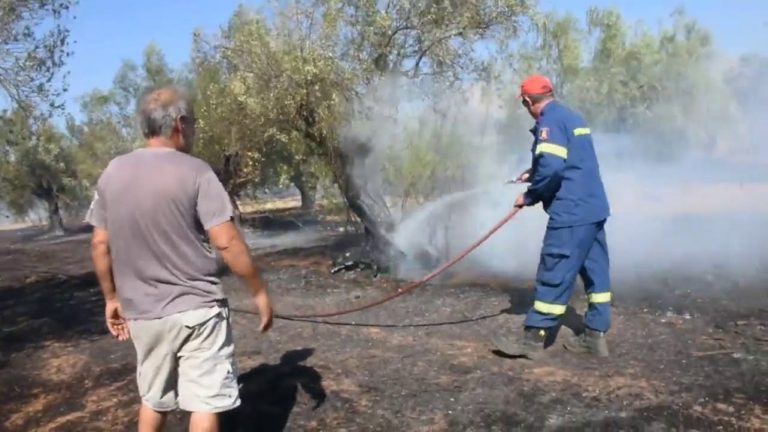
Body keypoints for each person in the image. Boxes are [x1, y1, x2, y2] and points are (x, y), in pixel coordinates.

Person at [86, 85, 274, 432]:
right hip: (198, 311)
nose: (194, 130)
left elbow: (100, 244)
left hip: (143, 315)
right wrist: (259, 291)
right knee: (203, 404)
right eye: (193, 124)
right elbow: (227, 241)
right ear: (180, 123)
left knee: (154, 399)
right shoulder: (196, 171)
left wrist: (112, 298)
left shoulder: (113, 172)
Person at [492, 74, 612, 359]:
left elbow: (555, 169)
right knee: (596, 273)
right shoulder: (572, 117)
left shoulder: (549, 122)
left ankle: (533, 339)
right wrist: (533, 172)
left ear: (526, 101)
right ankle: (596, 336)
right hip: (593, 208)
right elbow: (570, 161)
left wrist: (531, 195)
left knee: (554, 271)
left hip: (570, 212)